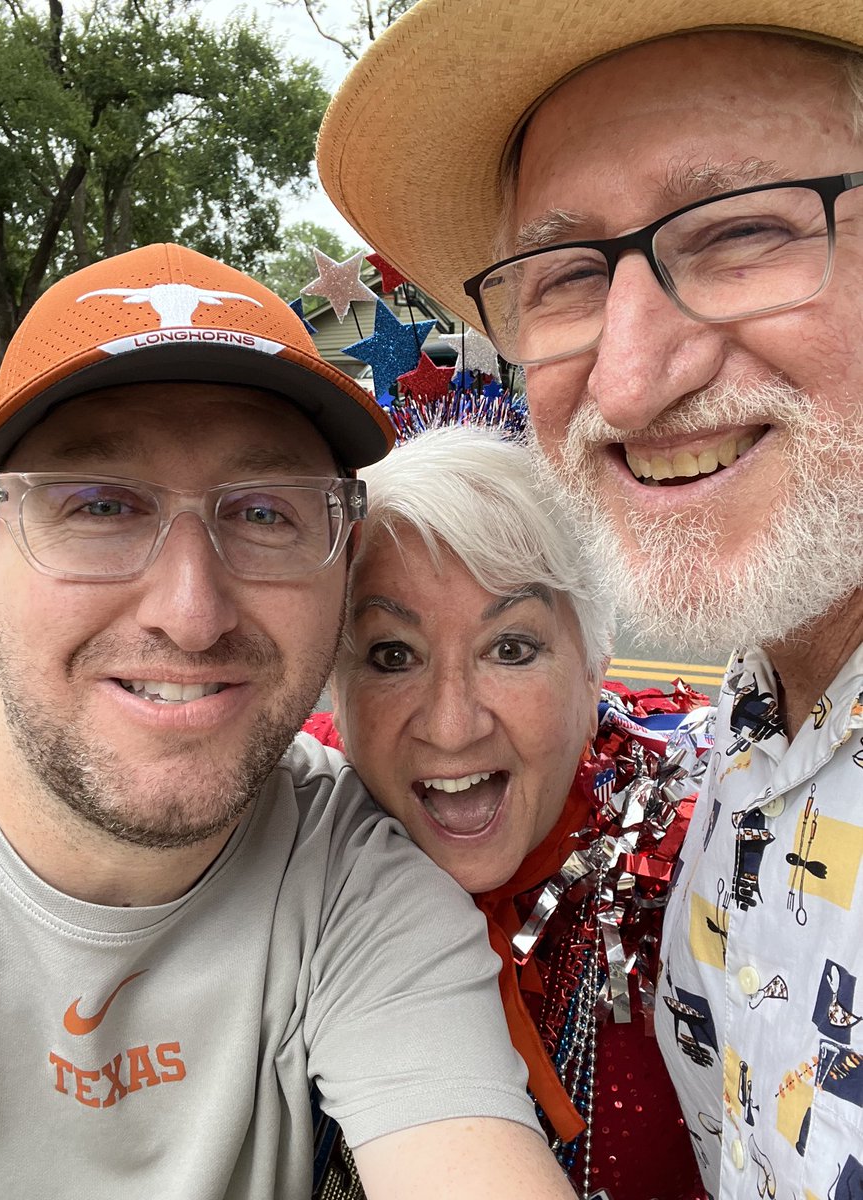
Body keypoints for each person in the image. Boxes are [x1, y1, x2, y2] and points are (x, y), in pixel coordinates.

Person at [317, 4, 863, 1196]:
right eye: (566, 275)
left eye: (740, 232)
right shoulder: (743, 754)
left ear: (594, 655)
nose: (626, 377)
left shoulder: (649, 858)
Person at [0, 242, 580, 1200]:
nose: (190, 611)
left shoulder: (361, 885)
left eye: (263, 514)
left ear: (340, 567)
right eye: (100, 505)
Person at [308, 424, 710, 1200]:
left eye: (512, 649)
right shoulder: (283, 830)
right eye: (393, 655)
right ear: (334, 687)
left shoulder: (700, 869)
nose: (452, 725)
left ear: (596, 663)